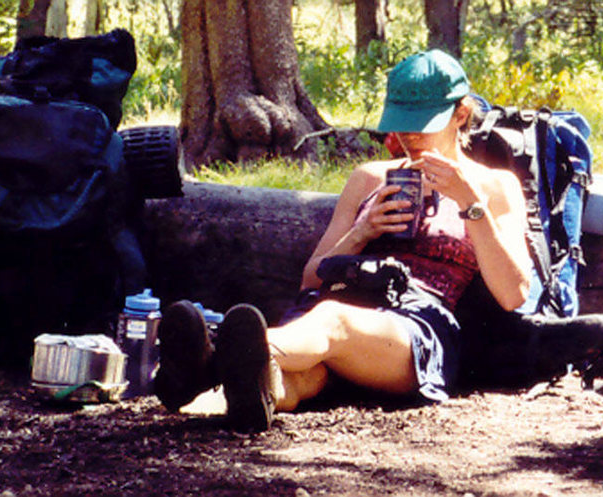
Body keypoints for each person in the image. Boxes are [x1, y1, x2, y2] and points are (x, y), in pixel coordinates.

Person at [153, 49, 534, 432]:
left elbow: (513, 294)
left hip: (414, 329)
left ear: (461, 115)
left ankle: (208, 363)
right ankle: (247, 396)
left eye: (423, 124)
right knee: (296, 377)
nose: (410, 136)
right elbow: (312, 280)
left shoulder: (493, 186)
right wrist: (362, 230)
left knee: (333, 320)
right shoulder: (370, 178)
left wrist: (470, 203)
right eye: (403, 124)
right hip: (336, 309)